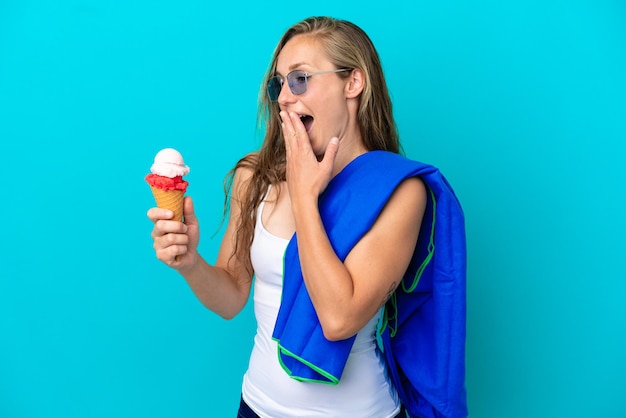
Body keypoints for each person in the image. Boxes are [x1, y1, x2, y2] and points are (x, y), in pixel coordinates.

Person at [147, 16, 467, 418]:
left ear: (353, 83)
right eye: (278, 83)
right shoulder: (255, 175)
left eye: (299, 79)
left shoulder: (400, 192)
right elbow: (231, 298)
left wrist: (304, 197)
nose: (283, 97)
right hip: (257, 407)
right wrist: (190, 263)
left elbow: (338, 318)